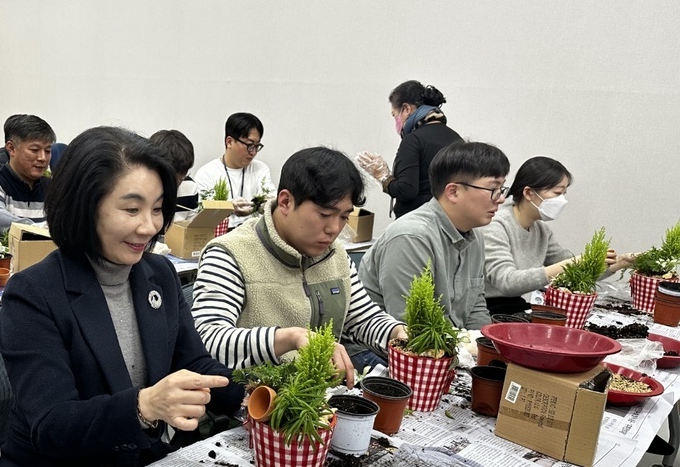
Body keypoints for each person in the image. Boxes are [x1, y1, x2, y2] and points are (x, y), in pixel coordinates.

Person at [0, 126, 243, 467]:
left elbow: (195, 364)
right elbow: (52, 424)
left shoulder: (158, 273)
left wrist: (257, 400)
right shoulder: (34, 294)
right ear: (85, 206)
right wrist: (144, 406)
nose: (150, 227)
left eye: (158, 208)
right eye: (131, 209)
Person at [192, 147, 406, 383]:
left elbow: (364, 319)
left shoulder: (336, 256)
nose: (334, 229)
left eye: (344, 216)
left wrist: (397, 333)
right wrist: (290, 338)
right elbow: (209, 339)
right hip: (255, 402)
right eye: (325, 214)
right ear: (285, 201)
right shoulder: (230, 254)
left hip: (319, 398)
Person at [358, 141, 511, 331]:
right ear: (453, 192)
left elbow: (476, 306)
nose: (501, 199)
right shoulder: (412, 236)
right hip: (388, 351)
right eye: (493, 190)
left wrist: (481, 345)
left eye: (502, 189)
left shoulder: (475, 236)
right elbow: (412, 325)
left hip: (450, 346)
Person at [483, 156, 634, 314]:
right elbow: (507, 282)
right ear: (528, 192)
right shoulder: (496, 225)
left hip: (514, 306)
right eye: (557, 193)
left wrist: (620, 262)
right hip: (487, 309)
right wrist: (574, 262)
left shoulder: (541, 231)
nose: (561, 200)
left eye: (563, 194)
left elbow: (576, 273)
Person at [357, 81, 463, 218]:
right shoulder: (457, 140)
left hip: (418, 224)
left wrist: (383, 177)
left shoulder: (413, 140)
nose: (396, 121)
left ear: (406, 109)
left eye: (394, 115)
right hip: (452, 222)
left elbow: (406, 190)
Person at [192, 112, 274, 234]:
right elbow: (201, 216)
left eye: (257, 146)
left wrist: (261, 206)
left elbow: (272, 200)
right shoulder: (207, 173)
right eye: (249, 145)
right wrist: (228, 208)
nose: (253, 152)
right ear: (229, 142)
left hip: (253, 235)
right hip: (219, 237)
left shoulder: (260, 169)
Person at [0, 114, 55, 237]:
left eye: (48, 151)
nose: (42, 158)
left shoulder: (52, 187)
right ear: (11, 148)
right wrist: (37, 230)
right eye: (34, 150)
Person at [149, 129, 199, 220]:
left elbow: (189, 228)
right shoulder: (140, 188)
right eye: (169, 179)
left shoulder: (190, 187)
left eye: (180, 180)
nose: (173, 186)